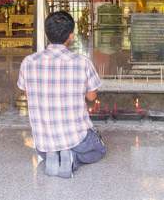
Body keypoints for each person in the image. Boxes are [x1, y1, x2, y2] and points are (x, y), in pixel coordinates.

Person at [17, 11, 106, 178]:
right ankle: (72, 157)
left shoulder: (28, 62)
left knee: (50, 149)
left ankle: (54, 156)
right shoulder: (82, 62)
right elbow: (92, 97)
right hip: (78, 139)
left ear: (47, 34)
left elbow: (28, 95)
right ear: (71, 36)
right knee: (99, 150)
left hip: (44, 145)